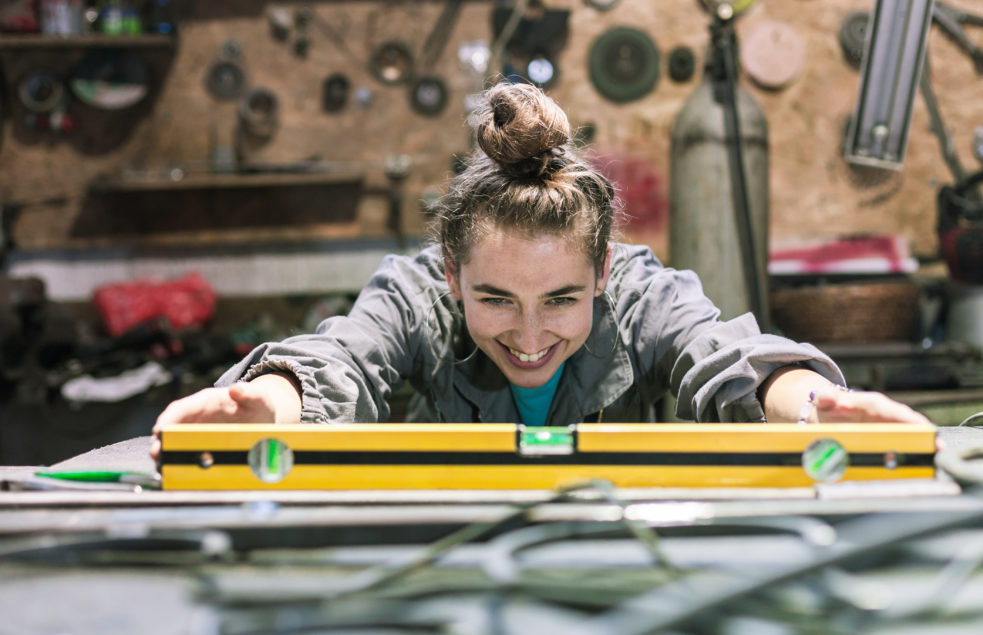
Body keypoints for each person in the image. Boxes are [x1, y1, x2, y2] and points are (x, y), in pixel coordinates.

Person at [150, 82, 929, 457]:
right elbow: (346, 355)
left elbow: (722, 358)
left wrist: (814, 405)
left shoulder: (641, 292)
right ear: (451, 274)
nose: (529, 336)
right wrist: (271, 402)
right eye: (494, 297)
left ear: (602, 271)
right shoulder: (416, 293)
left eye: (560, 298)